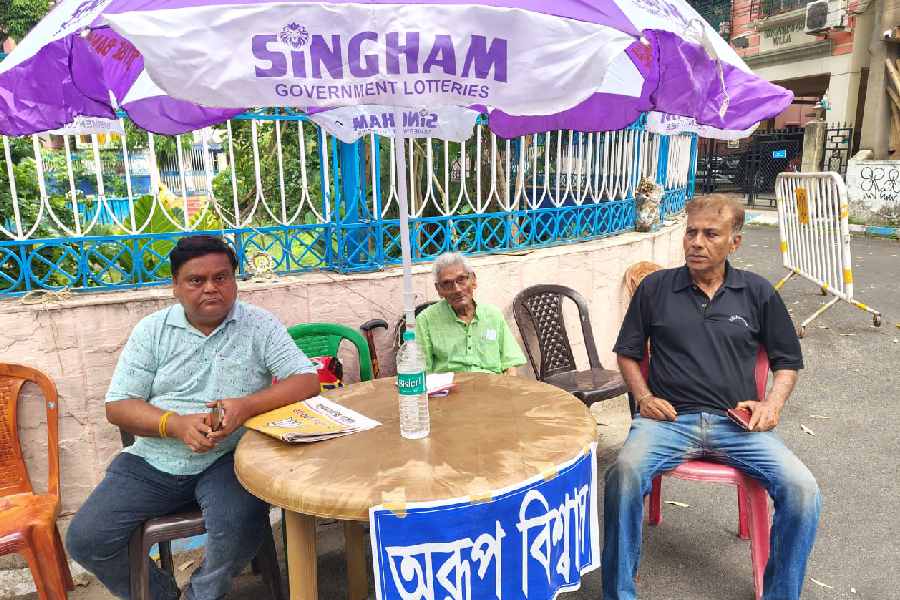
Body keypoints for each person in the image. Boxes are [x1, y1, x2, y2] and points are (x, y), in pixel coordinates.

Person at [66, 235, 319, 600]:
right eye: (196, 280)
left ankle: (202, 594)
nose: (211, 288)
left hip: (230, 456)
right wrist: (175, 424)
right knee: (86, 539)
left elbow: (306, 380)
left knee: (238, 523)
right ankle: (163, 595)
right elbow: (118, 405)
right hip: (154, 459)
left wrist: (246, 406)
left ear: (234, 281)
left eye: (222, 277)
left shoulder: (259, 325)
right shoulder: (152, 331)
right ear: (175, 287)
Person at [603, 195, 820, 600]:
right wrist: (644, 396)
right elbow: (628, 353)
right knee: (624, 475)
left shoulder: (757, 293)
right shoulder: (655, 289)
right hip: (669, 422)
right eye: (691, 232)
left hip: (736, 422)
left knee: (803, 490)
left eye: (710, 234)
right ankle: (619, 595)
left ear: (734, 243)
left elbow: (787, 361)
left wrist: (772, 405)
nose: (696, 243)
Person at [415, 252, 526, 375]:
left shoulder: (493, 315)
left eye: (461, 279)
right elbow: (421, 370)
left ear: (473, 280)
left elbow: (510, 363)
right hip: (449, 390)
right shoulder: (425, 320)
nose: (456, 289)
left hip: (492, 388)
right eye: (447, 284)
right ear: (439, 290)